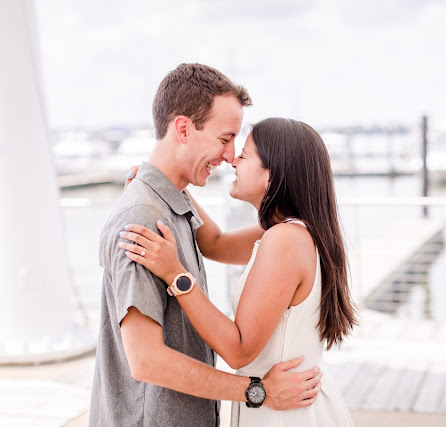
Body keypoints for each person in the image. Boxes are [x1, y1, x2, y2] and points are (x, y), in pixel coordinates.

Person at [90, 64, 322, 427]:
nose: (230, 156)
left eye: (239, 147)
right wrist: (256, 390)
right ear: (183, 128)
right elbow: (145, 360)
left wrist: (165, 182)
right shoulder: (143, 218)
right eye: (225, 138)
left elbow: (215, 243)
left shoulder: (177, 208)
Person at [120, 117, 358, 426]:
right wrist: (170, 183)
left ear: (271, 176)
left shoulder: (285, 240)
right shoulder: (290, 231)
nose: (232, 160)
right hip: (286, 405)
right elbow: (216, 244)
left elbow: (239, 349)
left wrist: (175, 274)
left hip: (285, 413)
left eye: (244, 155)